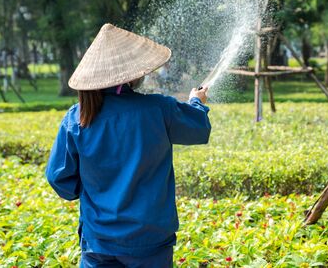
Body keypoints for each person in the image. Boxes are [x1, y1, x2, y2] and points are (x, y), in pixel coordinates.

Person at [45, 23, 211, 268]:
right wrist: (197, 102)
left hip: (98, 240)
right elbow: (198, 129)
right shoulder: (158, 109)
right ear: (133, 74)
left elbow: (59, 179)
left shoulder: (77, 118)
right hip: (150, 239)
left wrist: (97, 191)